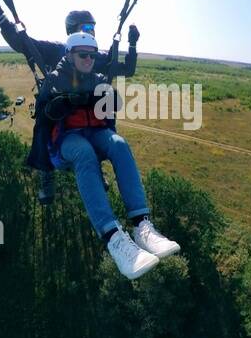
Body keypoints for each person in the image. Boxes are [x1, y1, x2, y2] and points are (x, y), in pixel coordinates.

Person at [33, 31, 180, 279]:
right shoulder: (56, 79)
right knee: (84, 153)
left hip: (96, 131)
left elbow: (114, 106)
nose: (89, 60)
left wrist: (110, 97)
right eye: (83, 55)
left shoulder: (99, 78)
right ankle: (113, 238)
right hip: (68, 139)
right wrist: (62, 102)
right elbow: (43, 114)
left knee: (120, 144)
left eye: (92, 55)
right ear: (69, 56)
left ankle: (141, 224)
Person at [0, 0, 138, 204]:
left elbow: (126, 69)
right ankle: (46, 172)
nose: (92, 32)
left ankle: (97, 169)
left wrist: (132, 45)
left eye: (93, 28)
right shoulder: (56, 50)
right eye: (88, 28)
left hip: (87, 111)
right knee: (43, 123)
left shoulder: (93, 56)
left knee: (102, 127)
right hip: (59, 108)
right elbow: (23, 44)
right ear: (74, 30)